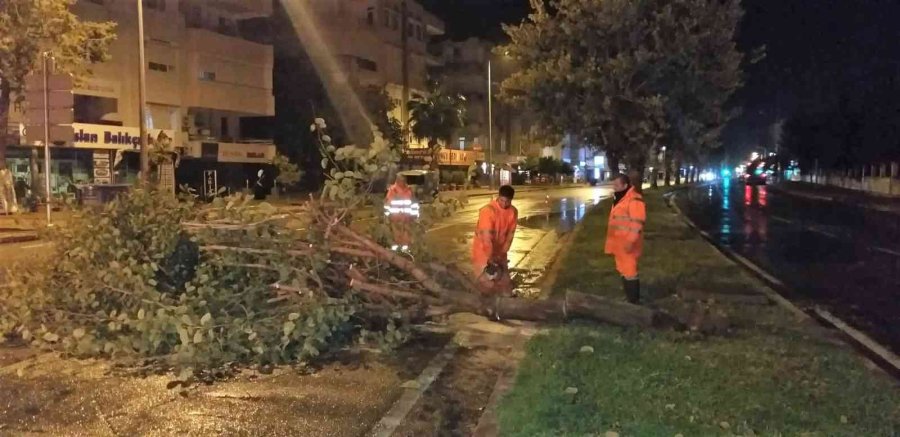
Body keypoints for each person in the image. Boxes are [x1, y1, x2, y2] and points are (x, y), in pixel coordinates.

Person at [604, 173, 646, 304]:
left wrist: (630, 241)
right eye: (613, 184)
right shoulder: (620, 198)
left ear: (625, 185)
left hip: (628, 243)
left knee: (630, 270)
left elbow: (637, 223)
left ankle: (633, 302)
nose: (614, 187)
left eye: (616, 185)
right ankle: (629, 298)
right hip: (618, 243)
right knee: (623, 269)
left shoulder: (634, 200)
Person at [472, 185, 518, 295]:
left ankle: (504, 305)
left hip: (500, 251)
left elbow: (510, 235)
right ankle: (481, 306)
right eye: (502, 200)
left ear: (511, 200)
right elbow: (486, 238)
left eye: (507, 201)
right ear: (498, 197)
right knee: (485, 285)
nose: (504, 204)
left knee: (504, 284)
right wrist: (491, 257)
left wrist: (502, 253)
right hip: (483, 252)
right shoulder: (488, 211)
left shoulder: (513, 212)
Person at [385, 174, 417, 251]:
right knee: (397, 236)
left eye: (404, 180)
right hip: (395, 218)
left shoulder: (409, 190)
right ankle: (397, 251)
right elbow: (388, 204)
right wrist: (387, 217)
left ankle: (405, 251)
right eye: (401, 180)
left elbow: (413, 203)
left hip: (407, 218)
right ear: (397, 180)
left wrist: (414, 215)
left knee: (406, 236)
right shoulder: (393, 190)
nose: (403, 181)